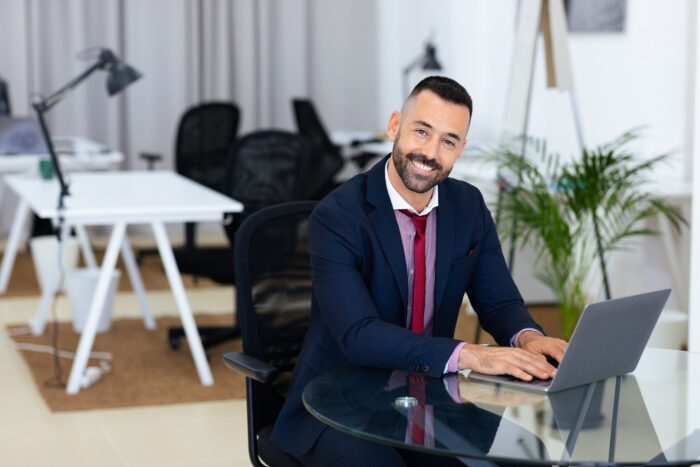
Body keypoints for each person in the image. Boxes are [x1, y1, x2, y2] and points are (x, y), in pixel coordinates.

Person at [271, 76, 568, 466]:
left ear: (460, 150)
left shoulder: (468, 205)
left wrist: (527, 337)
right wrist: (469, 356)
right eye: (421, 131)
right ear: (395, 126)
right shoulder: (338, 216)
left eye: (448, 141)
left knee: (523, 458)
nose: (430, 152)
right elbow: (358, 335)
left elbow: (499, 301)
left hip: (427, 397)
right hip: (337, 401)